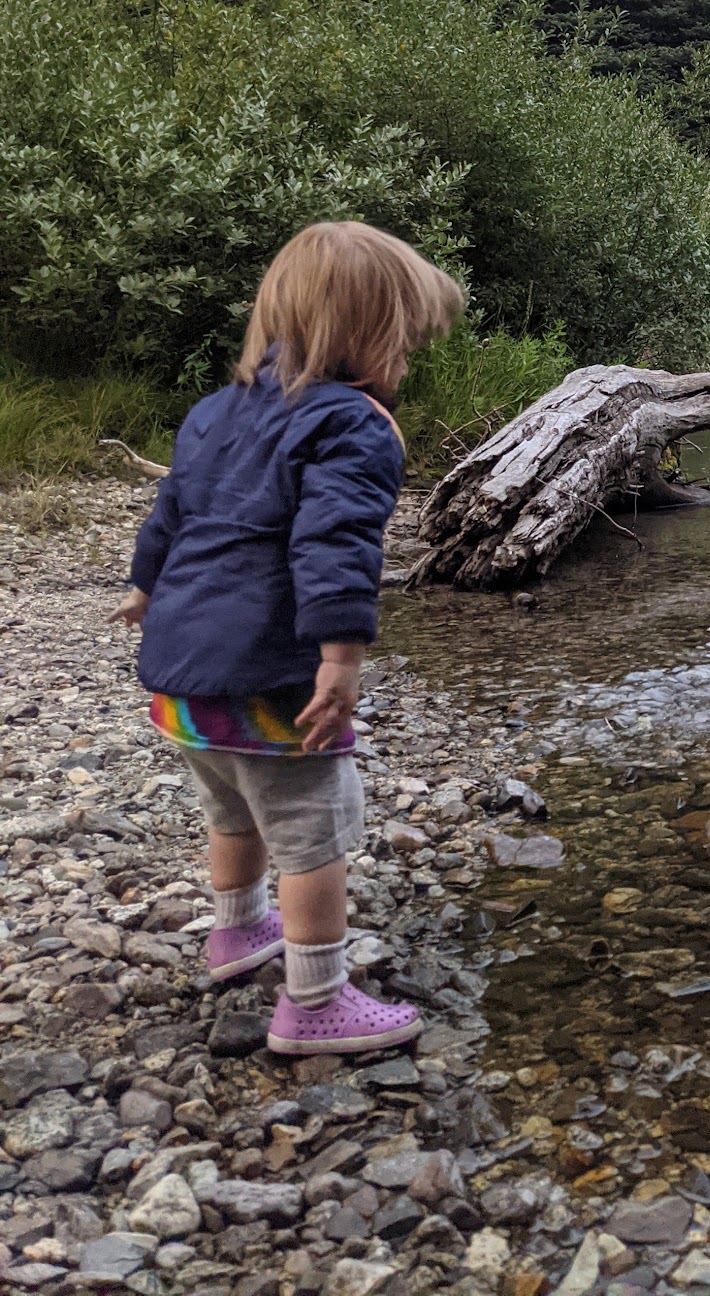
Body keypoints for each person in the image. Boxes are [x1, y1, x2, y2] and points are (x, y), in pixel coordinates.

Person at [114, 221, 464, 1055]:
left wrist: (144, 586)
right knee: (312, 829)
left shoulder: (211, 414)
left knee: (233, 810)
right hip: (272, 679)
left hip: (182, 682)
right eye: (405, 342)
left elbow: (173, 511)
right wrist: (341, 657)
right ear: (367, 336)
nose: (407, 361)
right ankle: (314, 1001)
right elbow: (336, 542)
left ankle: (235, 934)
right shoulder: (352, 425)